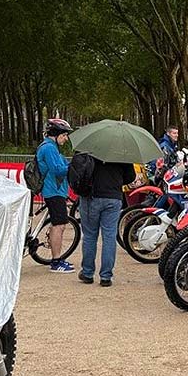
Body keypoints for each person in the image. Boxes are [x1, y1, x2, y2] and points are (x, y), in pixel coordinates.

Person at [79, 154, 135, 287]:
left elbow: (79, 170)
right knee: (109, 236)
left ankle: (87, 273)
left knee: (89, 236)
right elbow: (130, 177)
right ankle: (106, 276)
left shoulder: (89, 148)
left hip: (91, 196)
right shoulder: (122, 152)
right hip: (113, 196)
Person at [37, 119, 76, 274]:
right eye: (64, 135)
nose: (66, 138)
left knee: (58, 224)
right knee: (59, 226)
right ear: (56, 134)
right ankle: (56, 262)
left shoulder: (52, 147)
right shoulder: (49, 148)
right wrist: (73, 166)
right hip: (53, 191)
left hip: (56, 191)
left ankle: (56, 258)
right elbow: (58, 170)